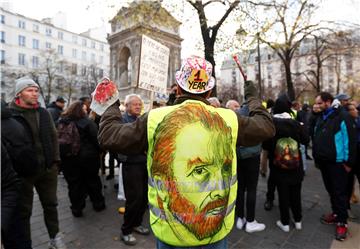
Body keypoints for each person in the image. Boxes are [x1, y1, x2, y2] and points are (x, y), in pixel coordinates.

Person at [97, 56, 275, 248]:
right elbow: (266, 126)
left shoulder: (155, 120)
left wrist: (110, 103)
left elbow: (108, 135)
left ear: (179, 88)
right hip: (216, 233)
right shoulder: (228, 119)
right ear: (208, 92)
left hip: (171, 235)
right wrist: (253, 98)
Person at [9, 77, 67, 249]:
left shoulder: (43, 112)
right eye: (30, 90)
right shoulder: (10, 114)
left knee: (51, 205)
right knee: (23, 211)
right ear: (19, 94)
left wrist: (55, 162)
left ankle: (54, 237)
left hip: (47, 169)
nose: (34, 94)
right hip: (23, 173)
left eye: (36, 90)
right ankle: (25, 243)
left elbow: (53, 137)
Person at [313, 92, 357, 241]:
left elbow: (350, 141)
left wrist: (349, 163)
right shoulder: (322, 116)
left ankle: (342, 223)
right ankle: (336, 213)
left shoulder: (342, 116)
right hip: (324, 162)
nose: (317, 106)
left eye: (319, 103)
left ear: (328, 102)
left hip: (338, 164)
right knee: (331, 191)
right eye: (316, 103)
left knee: (339, 193)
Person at [263, 95, 309, 232]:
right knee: (296, 193)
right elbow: (306, 141)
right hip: (296, 165)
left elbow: (266, 145)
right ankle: (298, 220)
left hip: (278, 166)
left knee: (283, 194)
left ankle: (285, 223)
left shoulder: (271, 124)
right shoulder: (296, 124)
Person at [58, 101, 105, 217]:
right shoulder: (87, 123)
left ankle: (76, 209)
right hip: (88, 158)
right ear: (80, 110)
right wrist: (101, 151)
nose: (86, 110)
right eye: (84, 109)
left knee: (74, 184)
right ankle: (98, 204)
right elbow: (97, 140)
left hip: (68, 159)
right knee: (93, 181)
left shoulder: (61, 122)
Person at [119, 94, 149, 245]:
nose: (138, 106)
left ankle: (137, 223)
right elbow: (124, 142)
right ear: (127, 106)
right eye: (135, 104)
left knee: (144, 197)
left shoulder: (142, 119)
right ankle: (126, 230)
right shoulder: (123, 121)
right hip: (131, 165)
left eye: (140, 104)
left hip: (144, 163)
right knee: (134, 198)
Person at [234, 103, 265, 233]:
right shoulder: (256, 118)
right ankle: (250, 221)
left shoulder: (237, 115)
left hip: (239, 156)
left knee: (239, 188)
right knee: (251, 189)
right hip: (253, 156)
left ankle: (240, 218)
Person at [344, 103, 360, 218]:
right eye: (353, 109)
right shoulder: (346, 123)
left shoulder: (358, 121)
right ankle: (346, 208)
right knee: (348, 184)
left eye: (356, 109)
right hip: (350, 159)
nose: (356, 111)